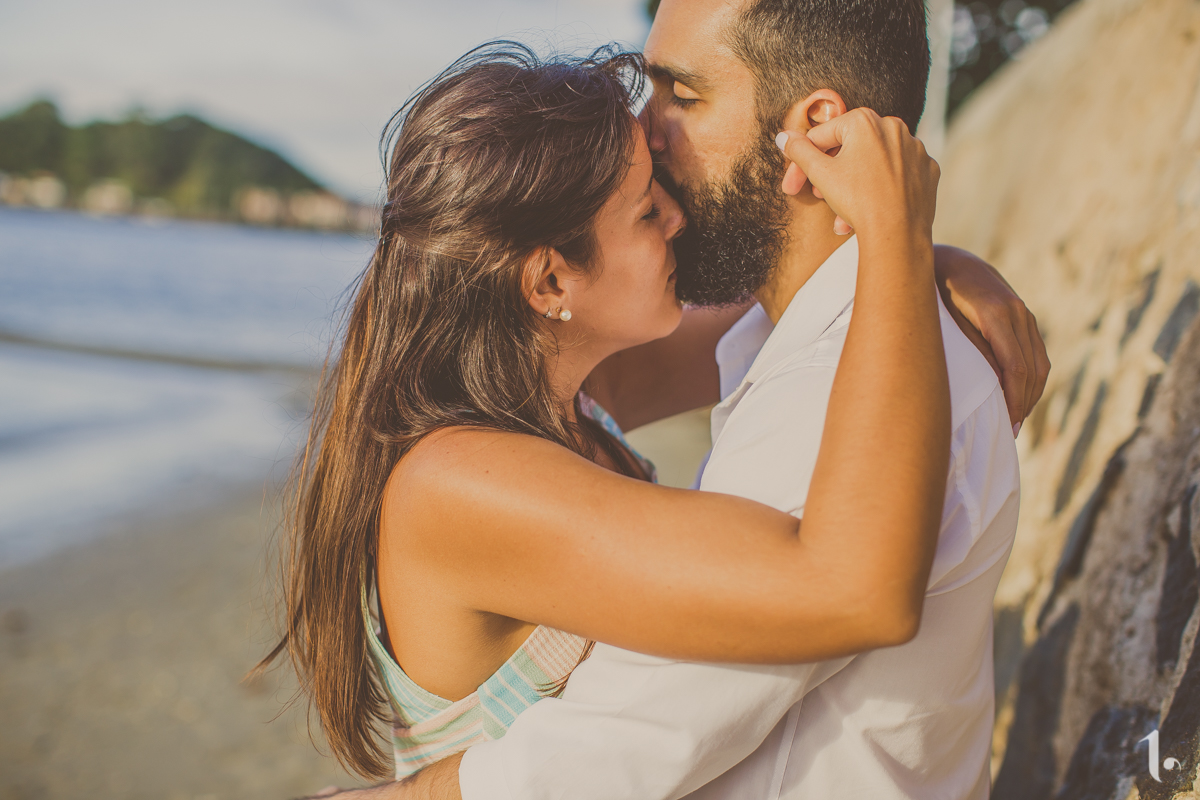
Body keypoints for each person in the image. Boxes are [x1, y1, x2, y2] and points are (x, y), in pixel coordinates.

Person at [352, 2, 1046, 799]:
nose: (651, 139)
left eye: (680, 94)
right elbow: (841, 590)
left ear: (818, 127)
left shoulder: (596, 386)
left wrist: (926, 256)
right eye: (646, 212)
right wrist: (900, 240)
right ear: (549, 284)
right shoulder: (466, 474)